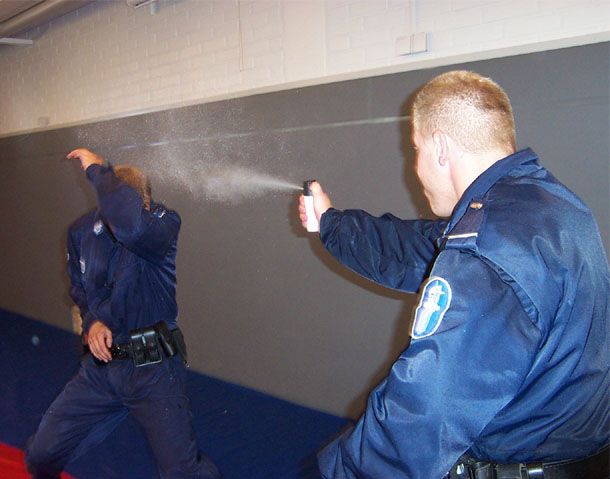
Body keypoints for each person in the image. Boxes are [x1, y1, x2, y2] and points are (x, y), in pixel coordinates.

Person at [299, 71, 609, 478]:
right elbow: (420, 248)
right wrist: (332, 224)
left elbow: (424, 409)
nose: (416, 166)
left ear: (441, 148)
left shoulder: (486, 253)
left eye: (416, 149)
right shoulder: (547, 207)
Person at [25, 148, 222, 479]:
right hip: (101, 369)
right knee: (41, 456)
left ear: (144, 203)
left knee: (182, 472)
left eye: (133, 205)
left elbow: (130, 226)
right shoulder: (82, 232)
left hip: (154, 372)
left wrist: (99, 171)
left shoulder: (161, 225)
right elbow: (82, 290)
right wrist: (93, 322)